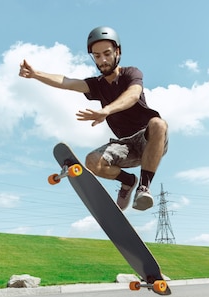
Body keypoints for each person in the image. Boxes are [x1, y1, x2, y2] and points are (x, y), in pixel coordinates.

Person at [19, 26, 168, 211]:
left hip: (148, 139)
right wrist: (35, 74)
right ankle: (128, 181)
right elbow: (68, 83)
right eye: (97, 56)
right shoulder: (96, 85)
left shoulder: (131, 73)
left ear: (117, 52)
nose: (103, 60)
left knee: (158, 124)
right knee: (91, 161)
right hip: (124, 146)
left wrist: (107, 110)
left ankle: (143, 188)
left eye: (107, 54)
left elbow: (133, 94)